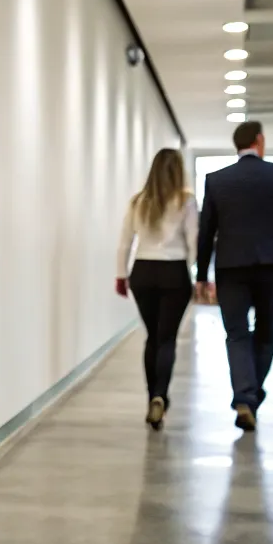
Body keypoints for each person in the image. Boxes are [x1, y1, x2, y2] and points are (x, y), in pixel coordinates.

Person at [196, 121, 273, 432]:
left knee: (236, 334)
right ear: (259, 140)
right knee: (266, 332)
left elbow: (206, 231)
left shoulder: (217, 180)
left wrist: (201, 273)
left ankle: (245, 396)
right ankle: (252, 394)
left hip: (231, 267)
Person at [115, 147, 198, 430]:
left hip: (143, 272)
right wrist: (194, 274)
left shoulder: (138, 201)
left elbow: (125, 243)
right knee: (167, 338)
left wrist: (121, 276)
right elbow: (194, 240)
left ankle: (153, 396)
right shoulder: (185, 201)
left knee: (152, 337)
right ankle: (160, 395)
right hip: (174, 272)